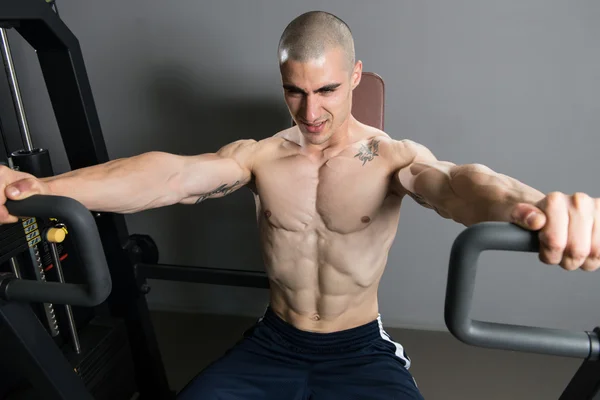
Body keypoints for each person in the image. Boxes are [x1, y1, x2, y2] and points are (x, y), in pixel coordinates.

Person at [0, 10, 598, 400]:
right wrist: (34, 191)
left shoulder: (394, 158)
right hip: (272, 342)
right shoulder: (259, 156)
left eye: (328, 91)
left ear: (356, 76)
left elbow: (461, 185)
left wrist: (536, 206)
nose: (310, 113)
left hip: (360, 349)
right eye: (295, 91)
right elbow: (173, 177)